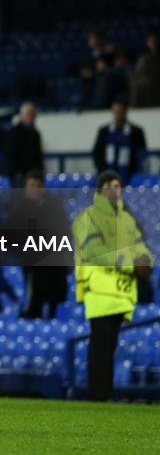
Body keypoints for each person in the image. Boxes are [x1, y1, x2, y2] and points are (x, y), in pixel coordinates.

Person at [73, 171, 154, 401]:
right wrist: (131, 264)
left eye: (118, 185)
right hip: (99, 290)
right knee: (101, 345)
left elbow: (140, 246)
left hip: (121, 292)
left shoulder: (127, 219)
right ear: (100, 189)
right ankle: (97, 395)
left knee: (108, 346)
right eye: (109, 184)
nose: (114, 188)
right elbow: (94, 251)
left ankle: (102, 396)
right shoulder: (87, 217)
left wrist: (147, 261)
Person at [10, 170, 71, 319]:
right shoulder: (19, 210)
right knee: (34, 303)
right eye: (30, 185)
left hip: (55, 263)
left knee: (55, 302)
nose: (33, 189)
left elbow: (65, 232)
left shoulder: (55, 206)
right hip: (32, 265)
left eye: (36, 185)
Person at [92, 100, 147, 185]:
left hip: (130, 178)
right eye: (117, 112)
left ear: (126, 111)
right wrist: (103, 173)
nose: (119, 115)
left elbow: (142, 154)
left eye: (121, 111)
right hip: (107, 179)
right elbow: (97, 154)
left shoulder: (136, 132)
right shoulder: (104, 132)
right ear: (113, 112)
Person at [5, 102, 44, 187]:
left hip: (34, 175)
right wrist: (15, 172)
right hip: (19, 176)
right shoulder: (14, 132)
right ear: (22, 115)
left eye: (33, 114)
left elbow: (38, 155)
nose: (32, 117)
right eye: (29, 114)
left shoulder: (35, 133)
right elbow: (10, 153)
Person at [131, 31, 160, 107]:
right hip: (146, 88)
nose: (153, 43)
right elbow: (138, 71)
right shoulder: (143, 57)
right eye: (151, 41)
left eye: (155, 41)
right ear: (147, 43)